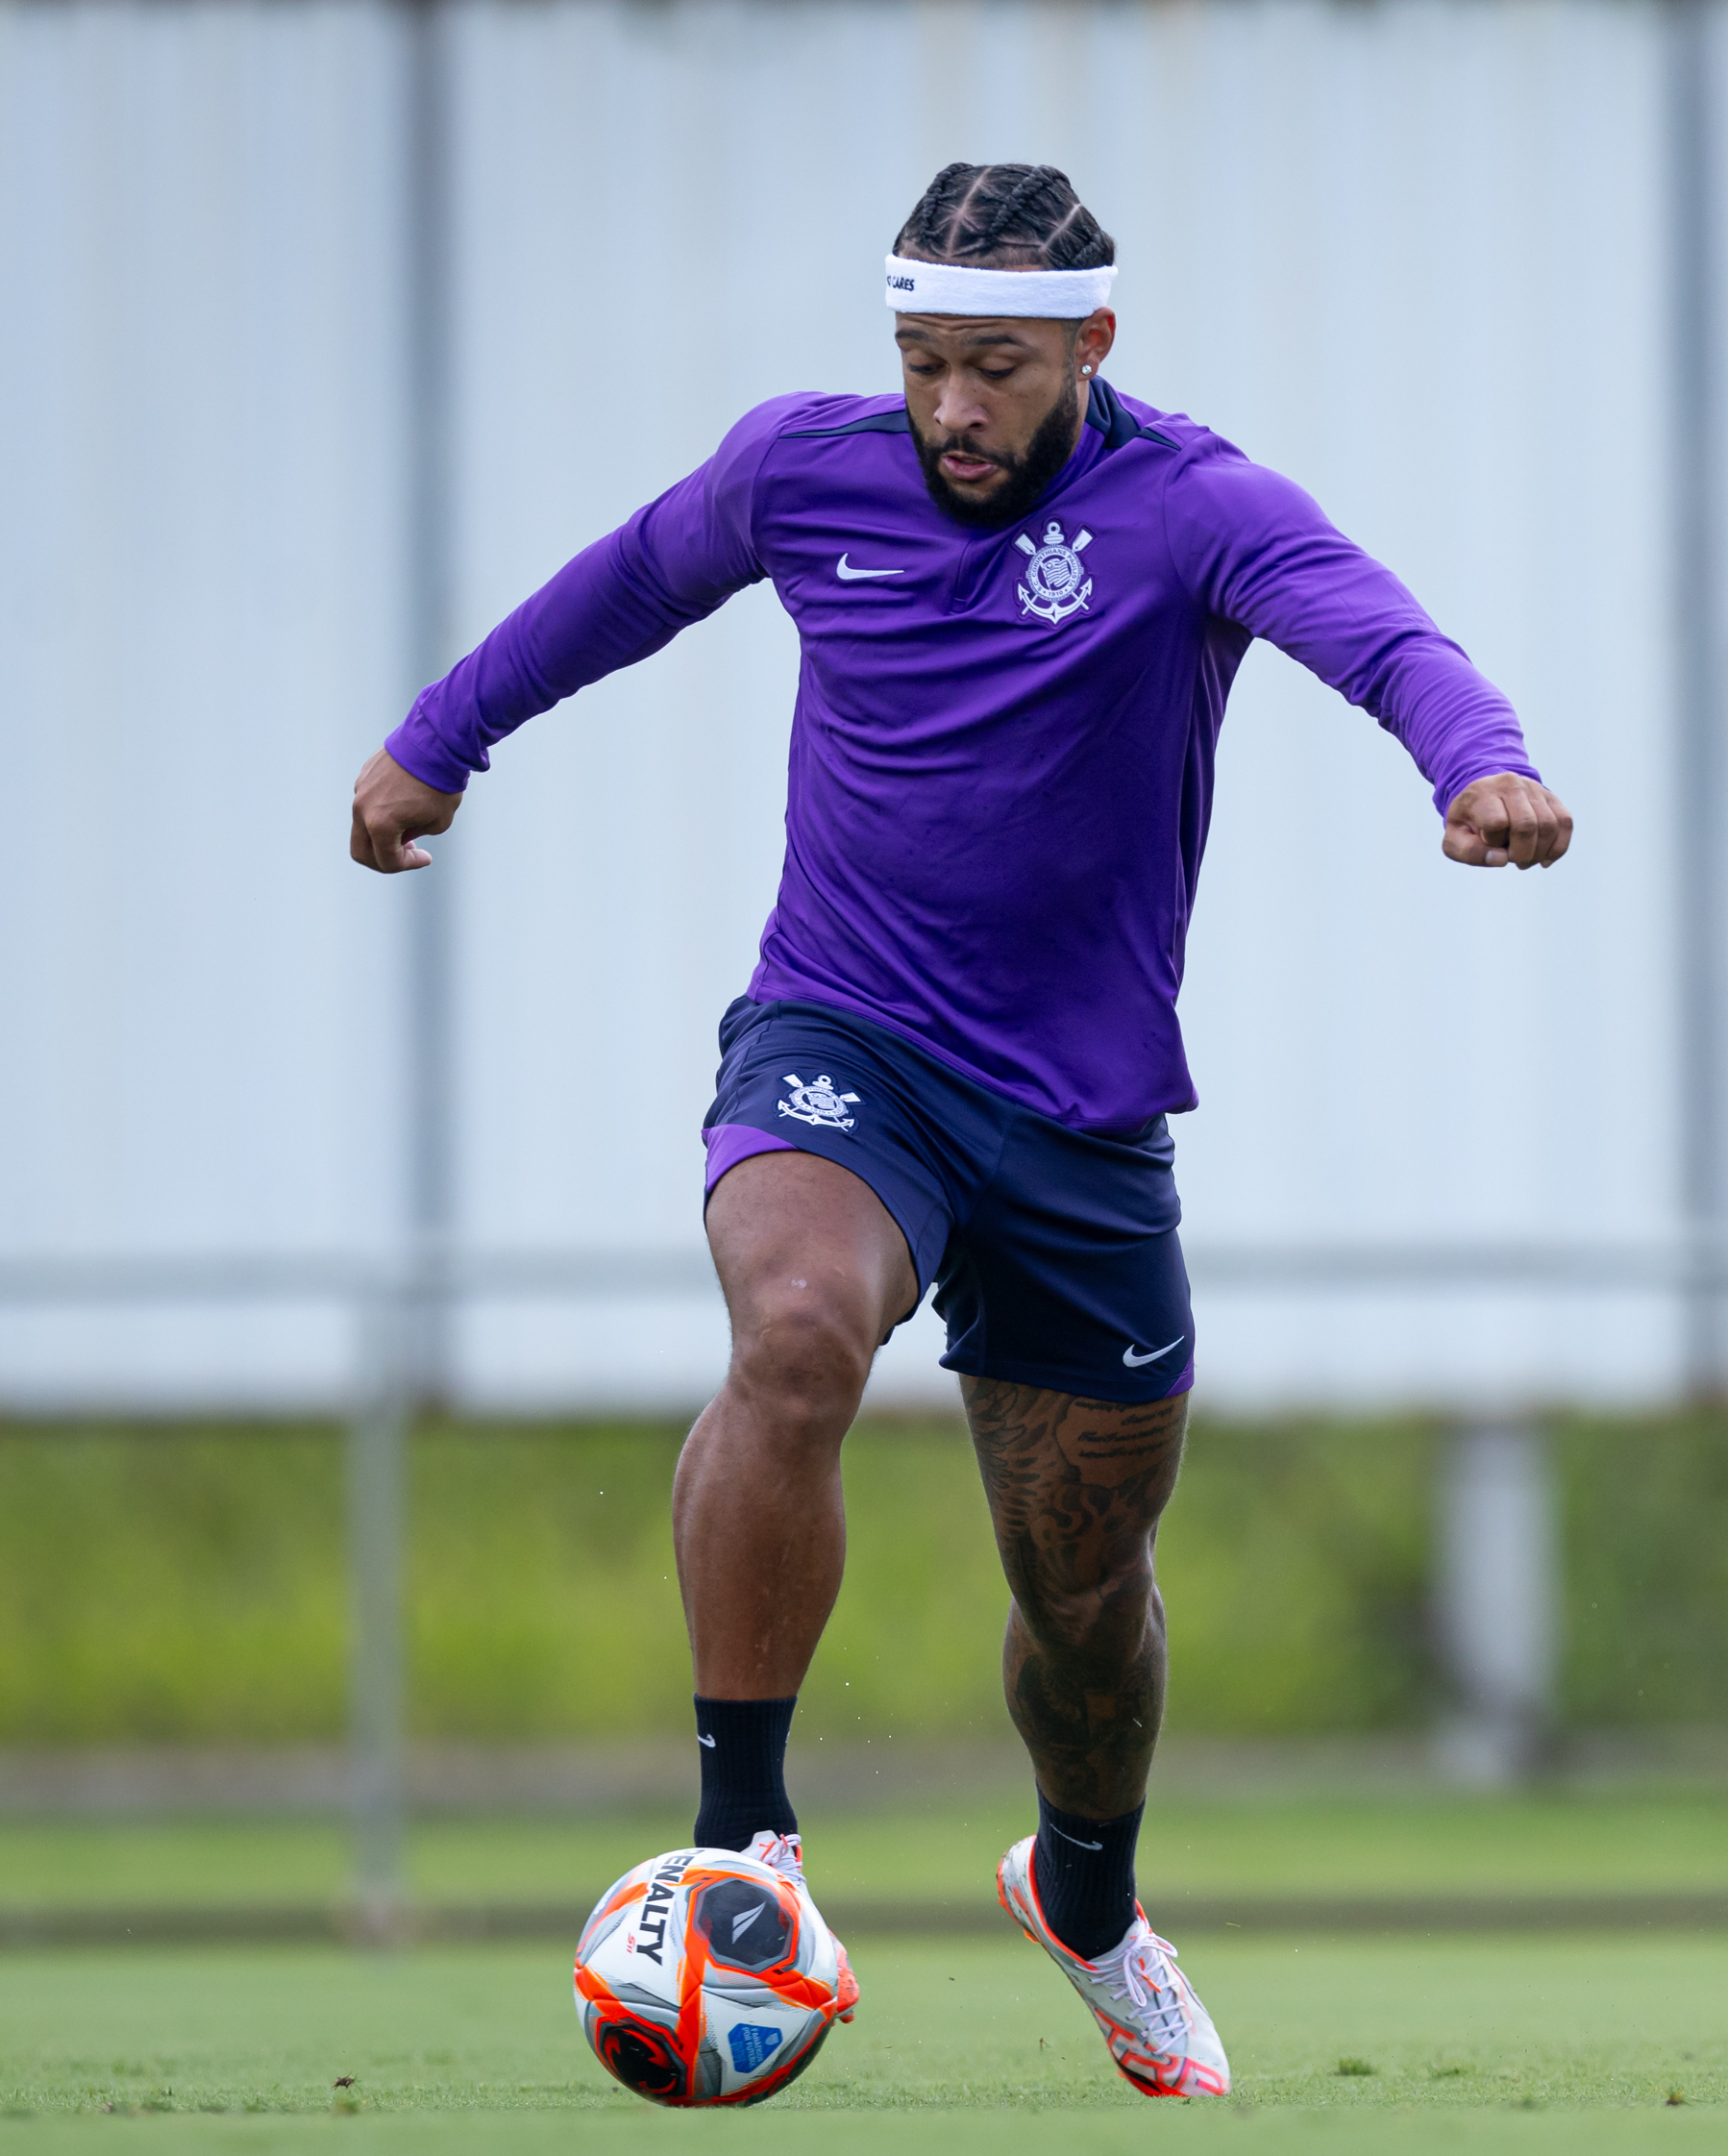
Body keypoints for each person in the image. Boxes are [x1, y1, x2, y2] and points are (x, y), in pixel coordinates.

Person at [348, 161, 1571, 2100]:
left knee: (1085, 1608)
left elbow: (1379, 632)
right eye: (922, 365)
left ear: (1091, 344)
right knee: (800, 1330)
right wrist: (437, 739)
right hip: (850, 1044)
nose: (951, 413)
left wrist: (1478, 757)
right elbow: (618, 590)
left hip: (1082, 1120)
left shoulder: (1193, 506)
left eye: (995, 369)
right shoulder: (799, 474)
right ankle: (741, 1842)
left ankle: (1087, 1899)